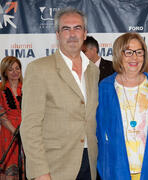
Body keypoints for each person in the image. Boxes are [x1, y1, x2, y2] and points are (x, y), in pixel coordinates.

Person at [20, 7, 99, 180]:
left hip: (90, 164)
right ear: (57, 34)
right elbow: (30, 127)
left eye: (77, 28)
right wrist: (40, 172)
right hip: (55, 167)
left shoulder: (93, 71)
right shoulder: (39, 69)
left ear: (85, 34)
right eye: (66, 29)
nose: (72, 34)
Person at [96, 32, 148, 180]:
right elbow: (99, 131)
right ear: (118, 54)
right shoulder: (106, 87)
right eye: (128, 52)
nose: (134, 57)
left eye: (139, 52)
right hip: (116, 167)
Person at [0, 56, 23, 180]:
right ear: (5, 72)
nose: (15, 72)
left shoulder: (27, 87)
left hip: (27, 132)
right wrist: (15, 132)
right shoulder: (1, 89)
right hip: (8, 134)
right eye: (11, 69)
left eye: (17, 68)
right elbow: (2, 116)